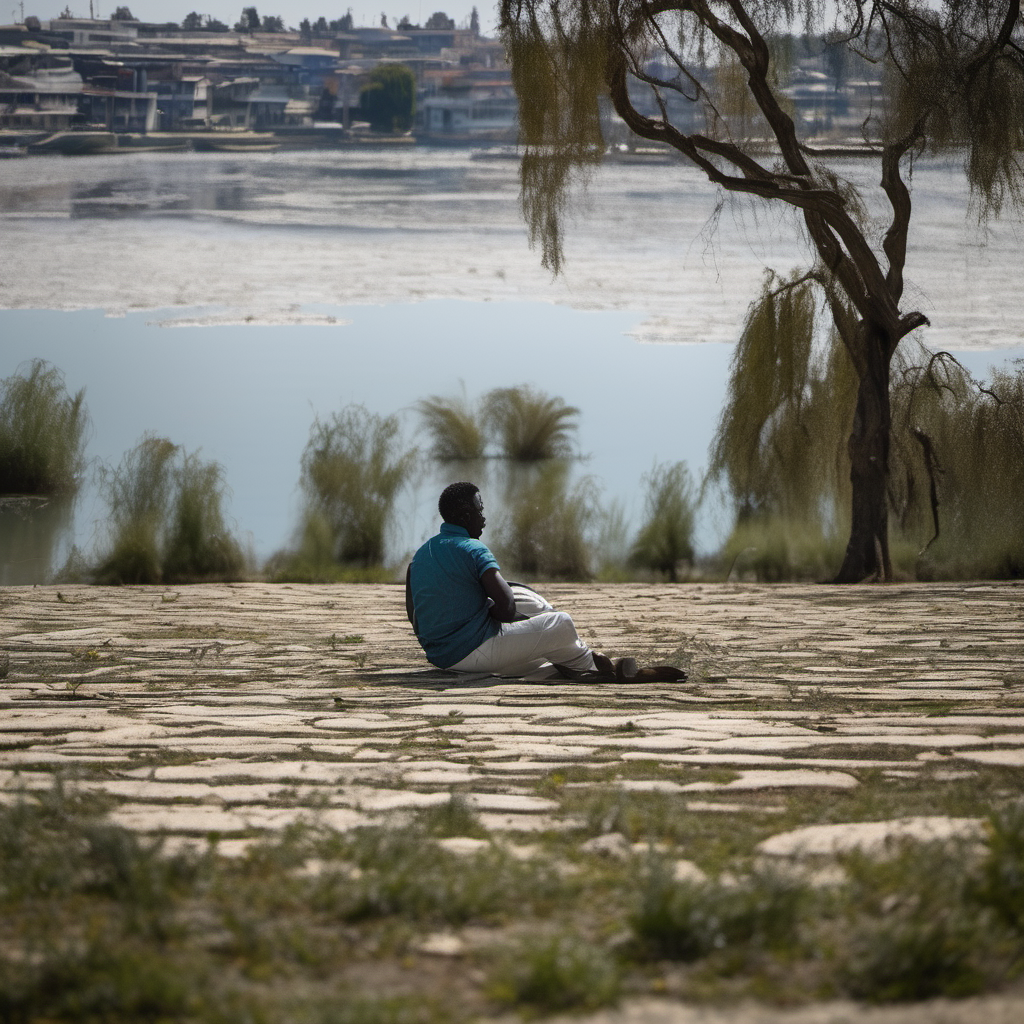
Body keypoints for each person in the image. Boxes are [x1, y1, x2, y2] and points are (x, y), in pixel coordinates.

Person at [406, 481, 625, 680]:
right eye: (479, 511)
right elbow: (507, 607)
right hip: (474, 652)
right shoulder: (473, 549)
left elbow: (413, 616)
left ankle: (569, 665)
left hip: (442, 657)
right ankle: (589, 664)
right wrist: (490, 614)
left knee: (530, 606)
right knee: (561, 623)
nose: (483, 518)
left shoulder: (420, 555)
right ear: (465, 517)